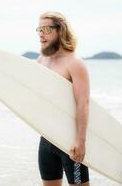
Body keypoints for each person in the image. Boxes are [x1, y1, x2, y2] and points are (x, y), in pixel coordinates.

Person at [36, 11, 90, 186]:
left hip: (70, 144)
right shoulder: (41, 60)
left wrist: (81, 140)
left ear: (60, 30)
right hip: (46, 141)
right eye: (39, 29)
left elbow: (83, 103)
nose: (41, 33)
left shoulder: (74, 63)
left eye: (46, 28)